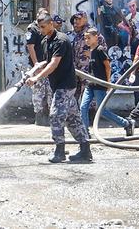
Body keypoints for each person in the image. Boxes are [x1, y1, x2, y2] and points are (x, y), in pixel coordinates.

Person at [24, 15, 92, 164]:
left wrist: (36, 78)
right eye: (39, 27)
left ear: (50, 25)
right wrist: (34, 69)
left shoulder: (60, 40)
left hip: (65, 85)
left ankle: (60, 151)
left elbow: (54, 64)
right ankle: (85, 150)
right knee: (72, 117)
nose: (40, 30)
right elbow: (47, 61)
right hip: (59, 85)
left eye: (43, 27)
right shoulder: (45, 41)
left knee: (55, 115)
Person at [78, 29, 135, 137]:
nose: (86, 40)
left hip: (100, 85)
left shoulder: (100, 50)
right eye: (85, 38)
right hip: (90, 85)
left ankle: (126, 123)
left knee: (102, 111)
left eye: (89, 38)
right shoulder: (90, 51)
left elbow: (107, 67)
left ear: (96, 37)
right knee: (83, 107)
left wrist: (108, 83)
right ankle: (85, 132)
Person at [24, 10, 51, 126]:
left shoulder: (47, 28)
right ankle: (39, 118)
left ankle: (51, 116)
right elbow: (30, 47)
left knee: (50, 91)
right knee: (38, 92)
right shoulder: (32, 29)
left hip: (47, 65)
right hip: (38, 66)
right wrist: (36, 65)